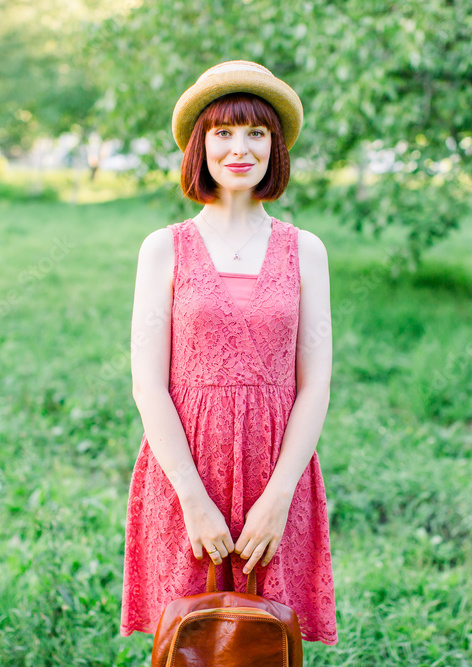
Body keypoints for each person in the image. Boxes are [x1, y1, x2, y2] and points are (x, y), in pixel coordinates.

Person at [120, 60, 337, 646]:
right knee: (189, 638)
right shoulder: (164, 248)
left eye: (256, 134)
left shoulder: (305, 249)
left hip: (277, 467)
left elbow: (315, 382)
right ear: (200, 145)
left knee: (265, 639)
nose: (239, 148)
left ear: (275, 148)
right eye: (223, 133)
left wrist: (278, 498)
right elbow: (149, 384)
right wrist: (192, 498)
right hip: (185, 469)